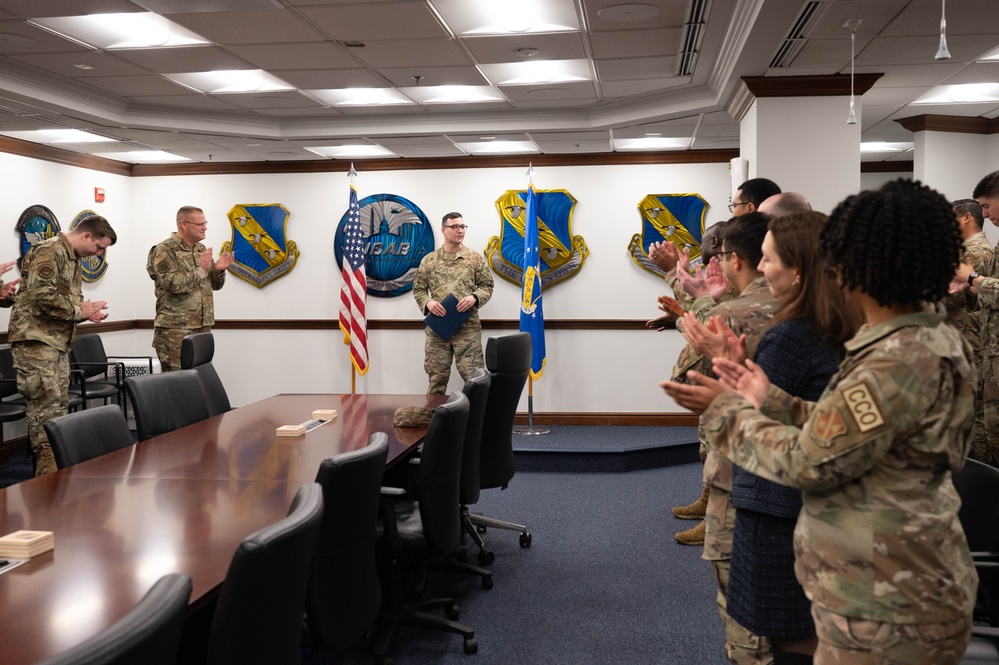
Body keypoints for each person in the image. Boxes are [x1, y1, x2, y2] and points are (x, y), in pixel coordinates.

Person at [670, 179, 977, 664]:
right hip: (887, 581)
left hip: (885, 601)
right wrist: (769, 398)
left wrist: (726, 410)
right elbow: (851, 432)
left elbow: (810, 461)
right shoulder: (913, 340)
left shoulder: (896, 360)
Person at [672, 212, 863, 664]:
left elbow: (774, 437)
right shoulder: (843, 322)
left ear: (799, 268)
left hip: (779, 507)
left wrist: (722, 402)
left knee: (779, 643)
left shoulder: (794, 337)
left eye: (771, 260)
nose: (762, 268)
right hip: (823, 513)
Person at [670, 212, 779, 664]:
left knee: (741, 586)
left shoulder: (734, 313)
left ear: (734, 259)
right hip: (793, 466)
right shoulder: (815, 307)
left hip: (744, 464)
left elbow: (688, 377)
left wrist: (700, 305)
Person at [9, 216, 117, 476]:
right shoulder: (49, 250)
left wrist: (86, 313)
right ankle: (46, 479)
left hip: (56, 343)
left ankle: (56, 475)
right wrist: (79, 311)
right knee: (45, 410)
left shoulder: (72, 257)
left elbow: (69, 298)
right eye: (99, 247)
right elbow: (41, 294)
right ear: (87, 236)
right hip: (35, 342)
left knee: (58, 408)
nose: (99, 253)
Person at [412, 212, 494, 395]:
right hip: (438, 330)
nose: (460, 231)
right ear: (443, 230)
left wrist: (474, 297)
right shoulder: (429, 260)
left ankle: (477, 423)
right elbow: (418, 289)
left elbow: (487, 286)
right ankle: (436, 422)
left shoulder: (474, 259)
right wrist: (428, 303)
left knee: (475, 380)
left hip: (467, 330)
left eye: (463, 227)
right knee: (436, 380)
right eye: (455, 227)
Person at [146, 206, 232, 372]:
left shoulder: (200, 249)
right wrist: (201, 271)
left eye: (205, 223)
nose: (205, 227)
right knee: (176, 385)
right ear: (183, 224)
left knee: (200, 382)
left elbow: (215, 285)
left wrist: (219, 270)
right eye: (200, 224)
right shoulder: (164, 250)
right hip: (175, 331)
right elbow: (171, 284)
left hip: (202, 327)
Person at [944, 199, 992, 464]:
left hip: (969, 338)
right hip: (967, 336)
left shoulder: (972, 252)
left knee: (973, 413)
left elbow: (953, 297)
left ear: (965, 218)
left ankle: (980, 472)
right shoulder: (978, 249)